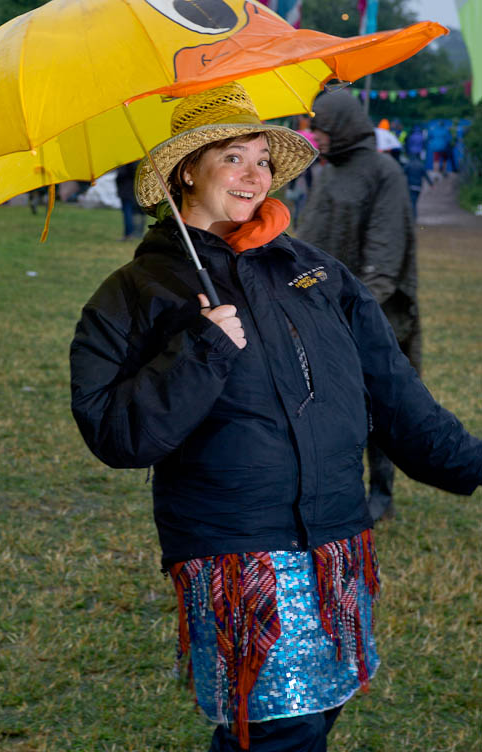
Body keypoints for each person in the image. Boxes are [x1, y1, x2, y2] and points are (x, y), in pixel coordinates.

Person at [69, 83, 481, 752]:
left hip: (337, 540)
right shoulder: (132, 295)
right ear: (186, 172)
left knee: (317, 715)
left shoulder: (316, 273)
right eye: (233, 157)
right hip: (237, 547)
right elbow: (115, 432)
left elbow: (398, 396)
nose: (254, 175)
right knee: (277, 730)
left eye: (262, 158)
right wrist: (200, 350)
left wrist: (472, 461)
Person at [297, 89, 420, 523]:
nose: (317, 137)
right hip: (322, 313)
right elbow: (308, 240)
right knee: (332, 406)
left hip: (373, 315)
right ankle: (335, 488)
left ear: (344, 127)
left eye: (322, 129)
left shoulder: (384, 172)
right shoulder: (329, 173)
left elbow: (386, 256)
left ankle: (381, 491)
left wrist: (356, 308)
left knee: (380, 405)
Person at [116, 159, 144, 240]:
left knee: (128, 212)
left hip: (127, 189)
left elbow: (122, 173)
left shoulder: (128, 161)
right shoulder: (137, 161)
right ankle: (135, 233)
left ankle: (129, 234)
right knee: (134, 212)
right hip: (131, 189)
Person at [404, 153, 434, 219]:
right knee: (414, 201)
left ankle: (413, 217)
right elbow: (426, 175)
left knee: (412, 202)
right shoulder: (421, 165)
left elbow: (402, 173)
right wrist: (431, 184)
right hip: (418, 187)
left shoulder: (409, 164)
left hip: (410, 186)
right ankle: (413, 217)